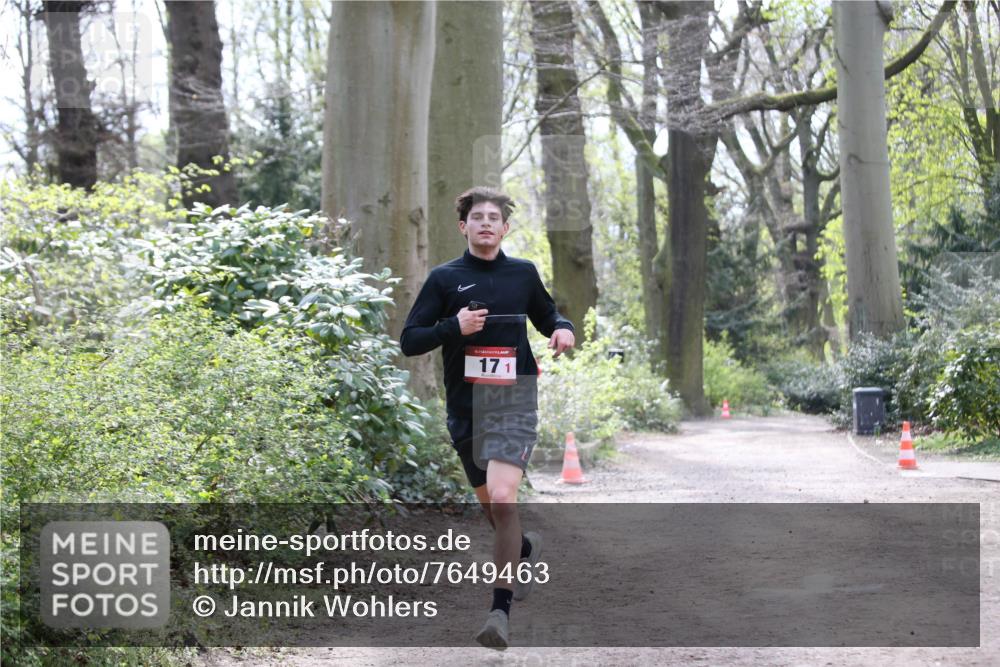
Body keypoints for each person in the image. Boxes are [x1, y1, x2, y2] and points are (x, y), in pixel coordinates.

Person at [400, 186, 575, 650]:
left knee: (502, 497)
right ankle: (523, 548)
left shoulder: (522, 273)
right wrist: (452, 327)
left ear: (505, 228)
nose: (485, 224)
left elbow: (548, 314)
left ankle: (499, 612)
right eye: (477, 217)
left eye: (493, 218)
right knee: (493, 507)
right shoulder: (444, 279)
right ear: (463, 227)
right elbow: (410, 340)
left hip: (514, 399)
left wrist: (562, 328)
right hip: (466, 408)